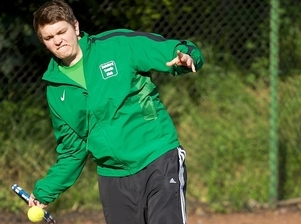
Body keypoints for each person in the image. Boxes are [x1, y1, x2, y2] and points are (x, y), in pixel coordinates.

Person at [29, 0, 204, 223]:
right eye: (49, 38)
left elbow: (173, 48)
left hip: (158, 157)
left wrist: (186, 57)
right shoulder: (56, 90)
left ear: (75, 27)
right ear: (43, 42)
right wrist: (45, 191)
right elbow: (73, 150)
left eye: (61, 32)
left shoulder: (117, 45)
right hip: (113, 177)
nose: (58, 41)